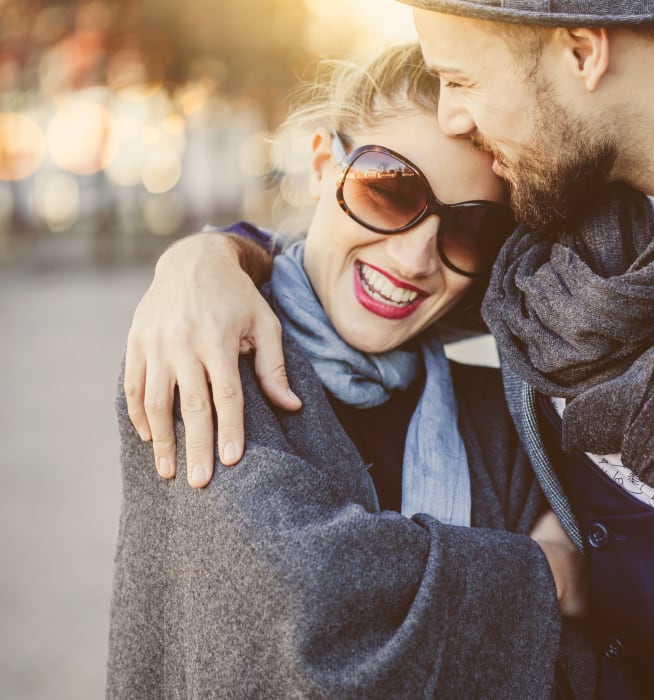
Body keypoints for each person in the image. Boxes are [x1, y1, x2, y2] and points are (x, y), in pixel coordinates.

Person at [123, 1, 654, 698]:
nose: (458, 112)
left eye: (461, 75)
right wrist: (208, 255)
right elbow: (355, 260)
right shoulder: (545, 227)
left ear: (583, 52)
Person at [108, 43, 596, 699]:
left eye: (470, 231)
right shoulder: (202, 353)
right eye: (390, 191)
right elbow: (310, 602)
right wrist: (543, 572)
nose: (416, 257)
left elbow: (577, 661)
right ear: (320, 166)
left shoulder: (498, 419)